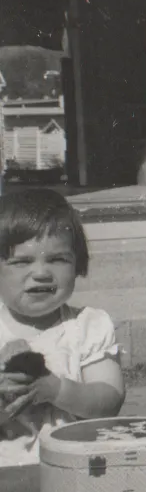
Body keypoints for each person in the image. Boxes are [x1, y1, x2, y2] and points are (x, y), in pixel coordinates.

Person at [0, 189, 125, 466]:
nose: (42, 273)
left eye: (58, 259)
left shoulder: (87, 327)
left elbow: (109, 401)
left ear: (77, 264)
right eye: (21, 261)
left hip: (73, 468)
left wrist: (57, 391)